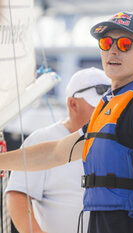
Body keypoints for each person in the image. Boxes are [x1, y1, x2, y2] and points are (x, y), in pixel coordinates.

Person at [0, 11, 133, 233]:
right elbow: (56, 152)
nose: (113, 50)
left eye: (124, 44)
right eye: (106, 42)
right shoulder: (112, 105)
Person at [5, 67, 111, 233]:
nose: (104, 113)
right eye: (97, 107)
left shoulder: (118, 141)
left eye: (107, 107)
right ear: (72, 104)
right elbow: (17, 195)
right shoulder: (41, 139)